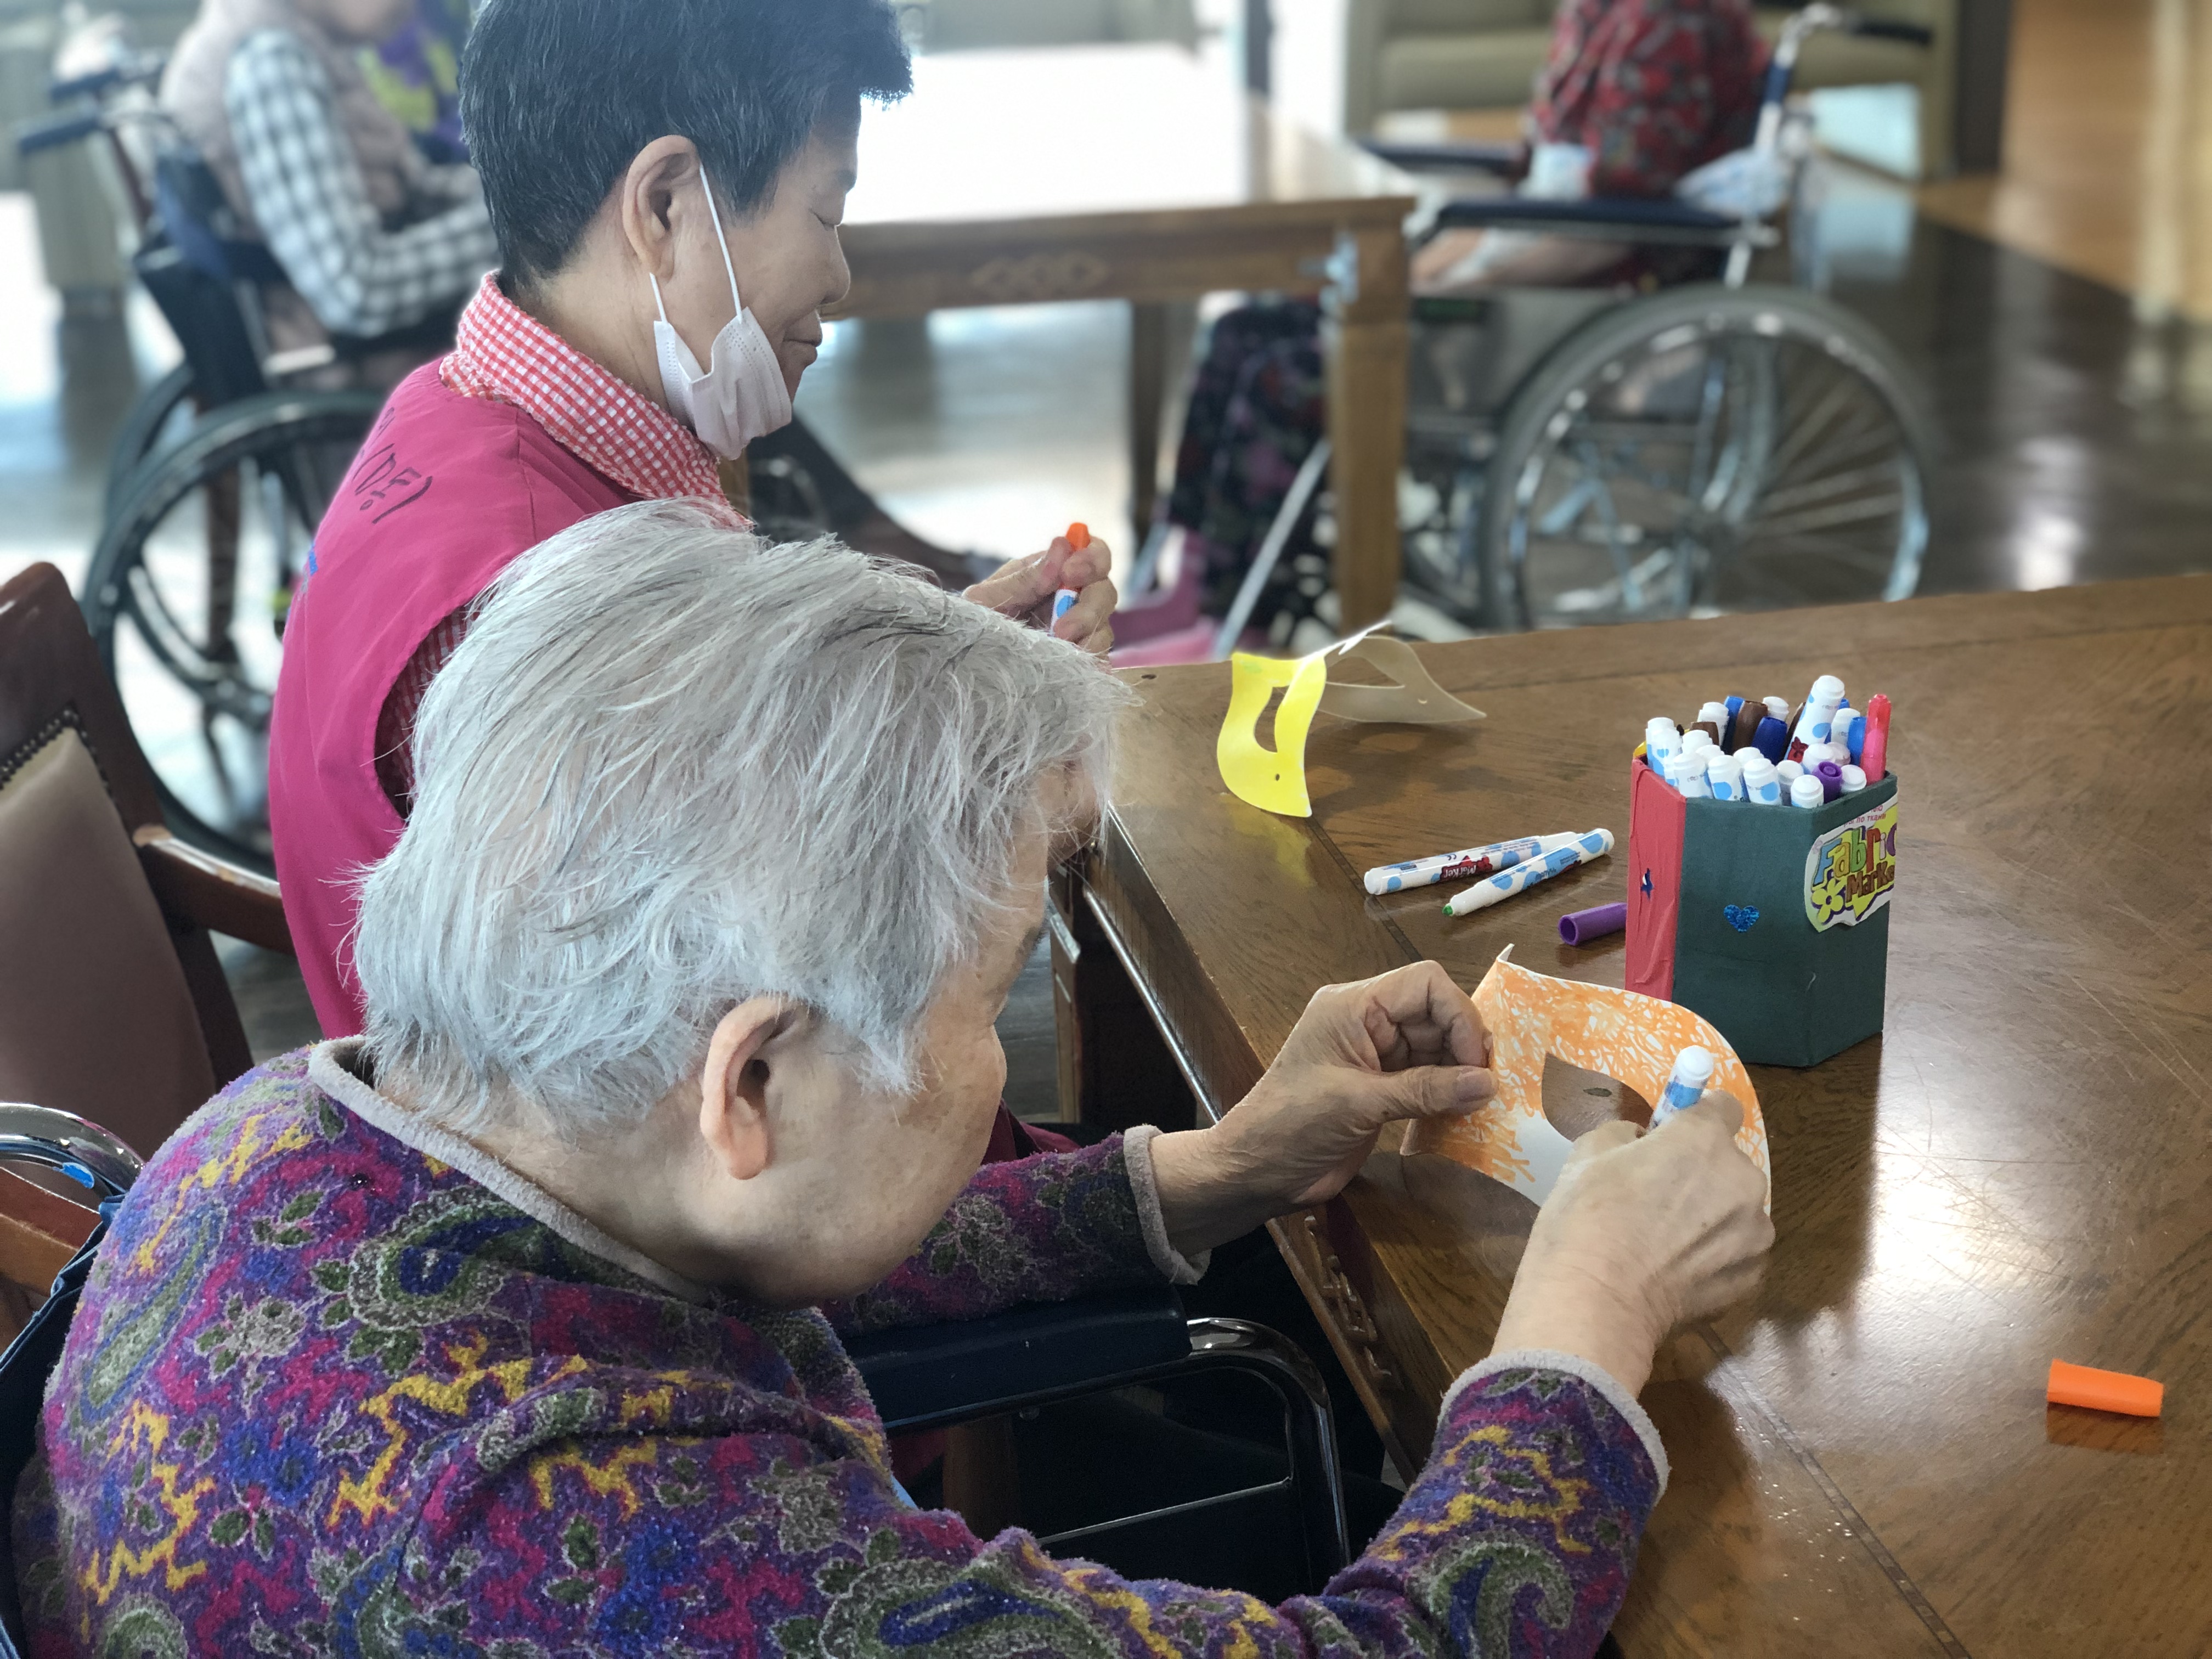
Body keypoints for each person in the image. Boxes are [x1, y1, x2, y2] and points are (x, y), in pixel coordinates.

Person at [14, 503, 1774, 1655]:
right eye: (989, 997)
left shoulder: (289, 1135)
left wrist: (1209, 1170)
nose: (992, 1047)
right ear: (752, 1082)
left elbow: (747, 1238)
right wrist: (1583, 1325)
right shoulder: (633, 1555)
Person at [267, 0, 1112, 1040]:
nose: (839, 276)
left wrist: (945, 679)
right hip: (569, 1133)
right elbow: (737, 1026)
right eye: (825, 214)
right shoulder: (559, 599)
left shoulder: (454, 413)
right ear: (665, 204)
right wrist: (1013, 786)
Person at [162, 0, 498, 347]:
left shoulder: (318, 47)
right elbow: (357, 291)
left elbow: (415, 183)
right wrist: (511, 234)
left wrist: (511, 198)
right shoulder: (274, 65)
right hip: (356, 357)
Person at [1412, 0, 1769, 294]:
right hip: (1566, 209)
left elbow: (1631, 177)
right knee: (1404, 282)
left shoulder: (1670, 17)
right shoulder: (1591, 9)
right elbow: (1550, 141)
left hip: (1628, 234)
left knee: (1428, 302)